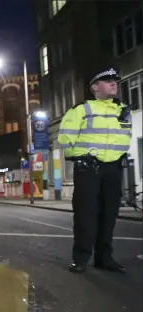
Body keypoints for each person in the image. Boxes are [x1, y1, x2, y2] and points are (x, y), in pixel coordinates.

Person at [59, 68, 132, 274]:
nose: (114, 83)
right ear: (95, 87)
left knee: (109, 214)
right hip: (89, 168)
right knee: (85, 214)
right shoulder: (82, 109)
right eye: (108, 80)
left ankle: (104, 258)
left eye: (115, 81)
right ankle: (80, 259)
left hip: (114, 168)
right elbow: (65, 138)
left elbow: (125, 137)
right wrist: (83, 157)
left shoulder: (123, 109)